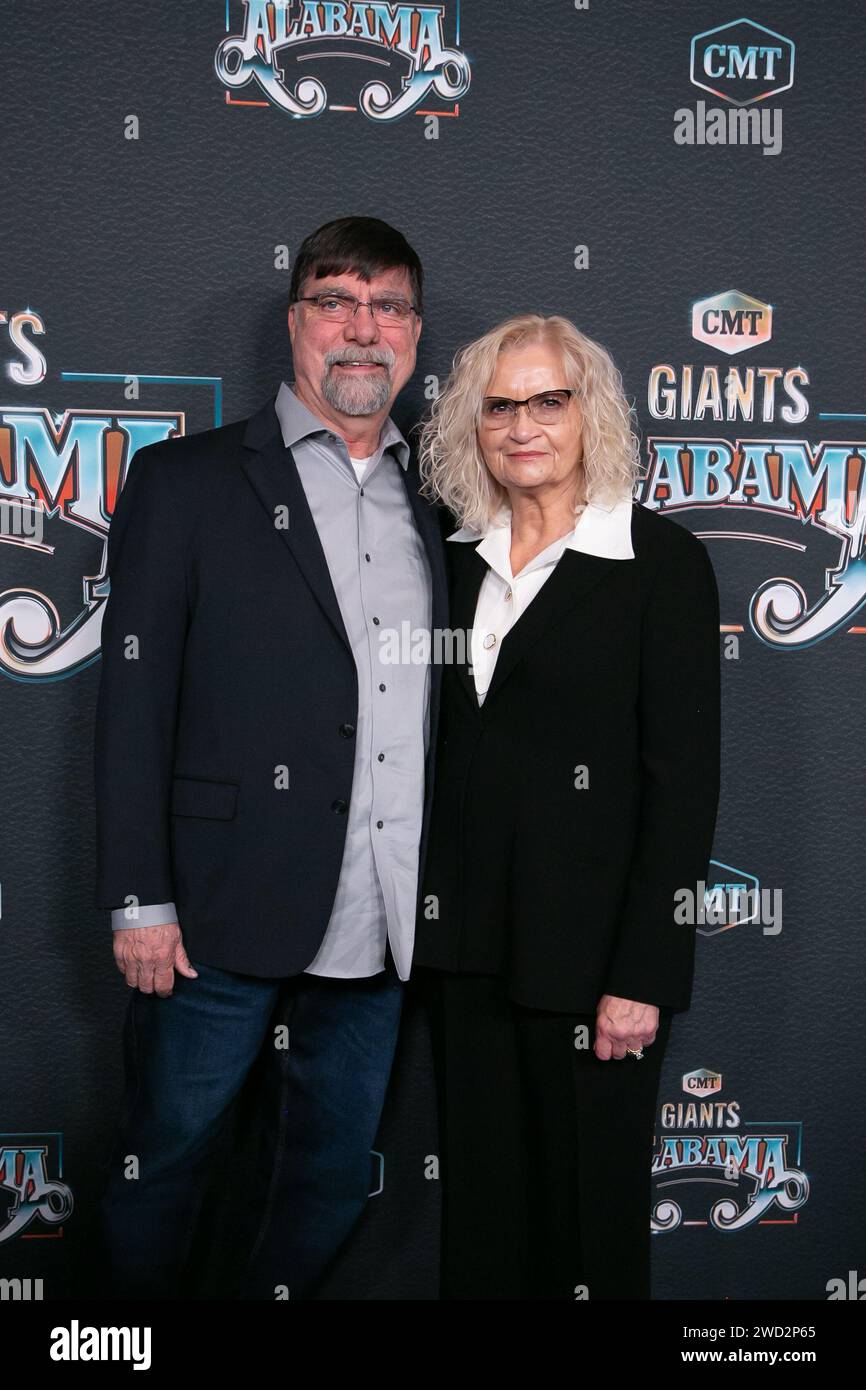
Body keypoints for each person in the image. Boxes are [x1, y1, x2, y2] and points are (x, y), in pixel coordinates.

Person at [93, 216, 448, 1299]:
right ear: (295, 324)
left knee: (331, 1181)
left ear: (414, 336)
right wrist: (138, 899)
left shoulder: (439, 508)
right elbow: (134, 701)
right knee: (166, 1167)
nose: (361, 329)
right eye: (335, 301)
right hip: (211, 914)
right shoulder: (184, 481)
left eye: (386, 306)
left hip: (380, 919)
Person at [412, 312, 721, 1300]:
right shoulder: (450, 557)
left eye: (549, 399)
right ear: (471, 423)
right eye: (498, 405)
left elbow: (682, 786)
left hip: (594, 970)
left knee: (586, 1237)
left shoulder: (658, 564)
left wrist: (642, 973)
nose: (522, 424)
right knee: (482, 1233)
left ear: (591, 412)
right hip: (464, 953)